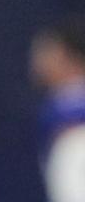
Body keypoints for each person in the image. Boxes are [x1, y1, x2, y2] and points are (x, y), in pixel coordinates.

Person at [30, 16, 85, 202]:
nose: (37, 60)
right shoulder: (55, 108)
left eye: (48, 52)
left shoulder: (72, 113)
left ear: (71, 58)